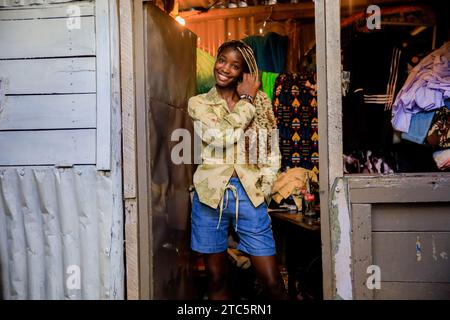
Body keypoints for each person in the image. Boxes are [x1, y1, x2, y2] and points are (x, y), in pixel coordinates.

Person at [188, 40, 287, 300]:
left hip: (249, 196)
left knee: (272, 280)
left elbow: (270, 151)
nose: (224, 69)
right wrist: (246, 101)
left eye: (234, 65)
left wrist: (264, 189)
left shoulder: (261, 103)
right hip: (210, 198)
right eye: (222, 60)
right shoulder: (199, 103)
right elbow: (221, 136)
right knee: (217, 278)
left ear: (244, 72)